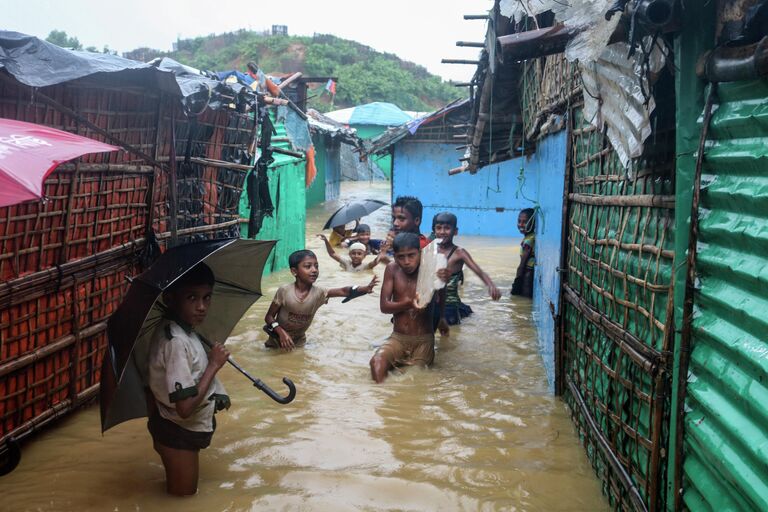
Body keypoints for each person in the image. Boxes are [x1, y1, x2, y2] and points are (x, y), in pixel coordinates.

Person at [147, 263, 231, 496]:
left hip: (173, 427)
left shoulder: (185, 331)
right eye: (192, 298)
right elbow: (184, 408)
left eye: (207, 297)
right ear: (171, 298)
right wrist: (213, 365)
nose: (202, 307)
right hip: (177, 433)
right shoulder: (175, 341)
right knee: (183, 499)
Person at [369, 233, 448, 383]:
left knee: (412, 378)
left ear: (420, 252)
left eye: (411, 255)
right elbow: (384, 307)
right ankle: (381, 397)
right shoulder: (392, 269)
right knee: (376, 363)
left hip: (423, 341)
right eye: (400, 257)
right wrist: (409, 303)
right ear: (395, 256)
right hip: (398, 338)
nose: (406, 262)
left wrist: (442, 318)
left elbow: (442, 292)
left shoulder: (431, 269)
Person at [264, 249, 378, 350]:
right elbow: (269, 317)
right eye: (308, 266)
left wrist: (365, 288)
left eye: (316, 266)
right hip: (276, 340)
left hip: (298, 343)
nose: (314, 270)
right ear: (294, 271)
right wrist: (280, 332)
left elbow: (344, 291)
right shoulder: (284, 291)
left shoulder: (319, 293)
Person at [432, 212, 502, 325]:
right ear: (434, 230)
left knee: (450, 339)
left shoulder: (459, 253)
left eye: (447, 228)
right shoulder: (430, 250)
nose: (442, 232)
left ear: (455, 231)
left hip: (450, 307)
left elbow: (478, 271)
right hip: (431, 304)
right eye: (438, 228)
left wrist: (491, 285)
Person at [317, 234, 382, 272]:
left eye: (359, 254)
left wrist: (382, 252)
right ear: (349, 254)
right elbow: (332, 254)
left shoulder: (365, 266)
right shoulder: (346, 263)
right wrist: (326, 241)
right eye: (353, 253)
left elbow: (375, 262)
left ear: (364, 256)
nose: (356, 256)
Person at [511, 208, 536, 298]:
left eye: (525, 222)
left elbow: (522, 263)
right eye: (519, 221)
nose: (520, 225)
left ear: (533, 223)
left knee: (525, 298)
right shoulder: (531, 236)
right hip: (528, 273)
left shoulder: (529, 240)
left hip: (527, 275)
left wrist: (517, 281)